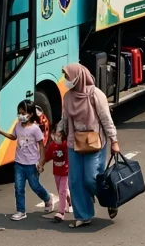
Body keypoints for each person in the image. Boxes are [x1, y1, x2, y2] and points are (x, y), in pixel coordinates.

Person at [57, 63, 120, 227]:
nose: (66, 80)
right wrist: (59, 131)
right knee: (76, 181)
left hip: (95, 142)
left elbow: (106, 119)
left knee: (92, 179)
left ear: (78, 77)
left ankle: (111, 199)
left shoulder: (95, 94)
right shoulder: (68, 97)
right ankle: (83, 216)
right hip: (74, 142)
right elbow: (64, 118)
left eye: (68, 77)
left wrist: (114, 141)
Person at [0, 100, 55, 222]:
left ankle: (48, 199)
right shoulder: (18, 126)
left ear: (31, 114)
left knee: (35, 186)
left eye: (23, 113)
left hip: (32, 164)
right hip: (19, 164)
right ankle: (21, 211)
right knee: (18, 187)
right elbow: (13, 137)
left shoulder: (35, 129)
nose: (20, 116)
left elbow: (42, 146)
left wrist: (41, 162)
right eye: (19, 113)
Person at [42, 129, 70, 222]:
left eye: (59, 133)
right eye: (55, 133)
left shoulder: (67, 145)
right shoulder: (52, 146)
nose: (56, 136)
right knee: (61, 190)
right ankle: (68, 198)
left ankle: (61, 212)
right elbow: (47, 157)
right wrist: (41, 165)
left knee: (62, 191)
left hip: (66, 172)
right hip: (57, 172)